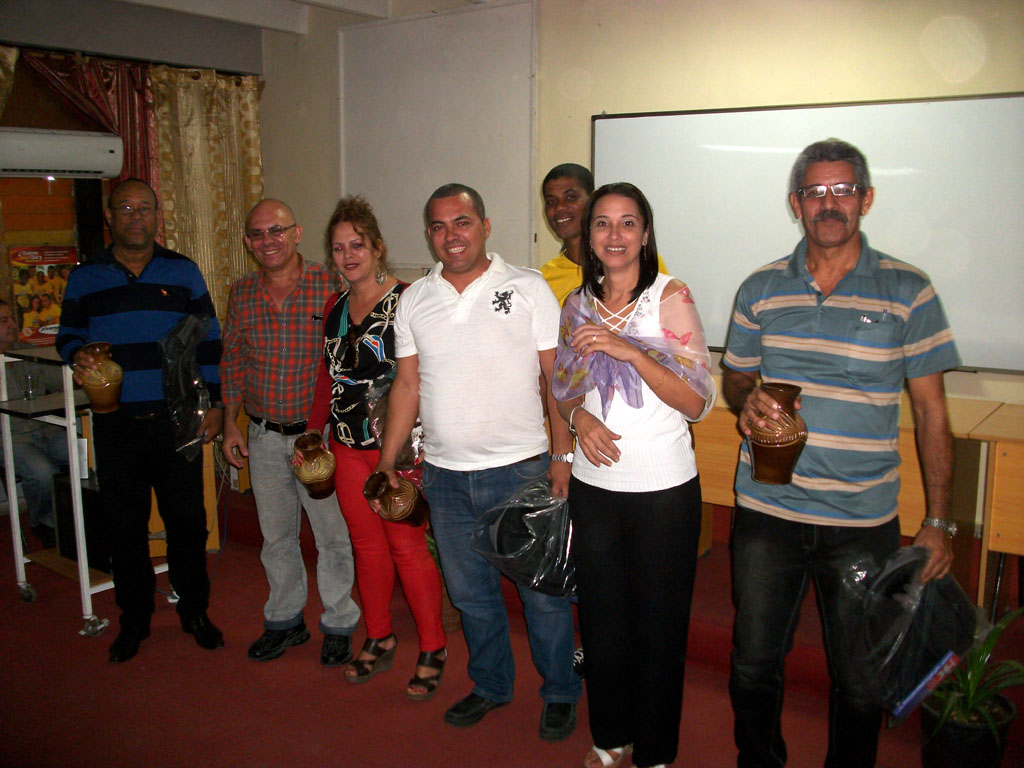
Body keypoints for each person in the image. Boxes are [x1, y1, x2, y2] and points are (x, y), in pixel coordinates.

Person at [722, 138, 960, 768]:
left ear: (867, 198)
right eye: (815, 192)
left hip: (862, 521)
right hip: (768, 511)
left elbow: (934, 413)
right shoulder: (761, 287)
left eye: (843, 190)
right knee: (752, 666)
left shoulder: (909, 289)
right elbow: (736, 377)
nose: (830, 204)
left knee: (859, 680)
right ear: (795, 203)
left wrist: (938, 522)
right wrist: (743, 401)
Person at [372, 183, 581, 740]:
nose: (451, 235)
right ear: (428, 235)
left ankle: (561, 690)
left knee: (541, 595)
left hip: (521, 471)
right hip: (444, 477)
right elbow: (407, 387)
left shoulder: (529, 288)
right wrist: (388, 461)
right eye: (438, 226)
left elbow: (556, 379)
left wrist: (562, 454)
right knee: (470, 597)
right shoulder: (414, 299)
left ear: (486, 226)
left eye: (461, 222)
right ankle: (490, 685)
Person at [553, 183, 716, 768]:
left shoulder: (669, 297)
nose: (615, 235)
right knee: (601, 622)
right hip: (597, 491)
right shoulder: (576, 305)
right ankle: (611, 733)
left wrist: (631, 352)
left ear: (646, 234)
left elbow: (698, 401)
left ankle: (655, 750)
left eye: (628, 223)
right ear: (589, 237)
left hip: (663, 492)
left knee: (658, 628)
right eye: (603, 224)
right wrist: (577, 420)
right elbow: (563, 388)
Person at [57, 178, 225, 663]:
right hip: (116, 424)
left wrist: (213, 404)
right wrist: (78, 354)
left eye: (145, 208)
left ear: (158, 217)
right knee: (124, 527)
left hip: (177, 422)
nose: (136, 216)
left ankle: (195, 610)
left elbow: (209, 340)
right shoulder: (86, 277)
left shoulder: (184, 272)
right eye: (126, 208)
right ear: (109, 217)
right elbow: (66, 334)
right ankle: (134, 621)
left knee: (188, 523)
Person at [301, 195, 447, 698]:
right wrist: (312, 429)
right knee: (365, 546)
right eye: (338, 248)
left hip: (399, 450)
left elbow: (427, 378)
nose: (348, 256)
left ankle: (433, 646)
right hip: (345, 446)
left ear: (378, 247)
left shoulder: (411, 299)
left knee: (407, 547)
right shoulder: (334, 307)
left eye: (357, 245)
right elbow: (330, 379)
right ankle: (379, 636)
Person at [220, 198, 361, 668]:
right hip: (262, 436)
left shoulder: (332, 284)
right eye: (258, 234)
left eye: (276, 231)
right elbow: (233, 363)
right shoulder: (241, 293)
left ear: (297, 233)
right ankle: (285, 619)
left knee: (332, 536)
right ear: (247, 243)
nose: (268, 241)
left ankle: (339, 621)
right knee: (275, 536)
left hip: (316, 439)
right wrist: (229, 427)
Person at [540, 163, 669, 307]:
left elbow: (668, 321)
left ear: (592, 200)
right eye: (551, 201)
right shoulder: (543, 280)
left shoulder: (640, 260)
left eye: (571, 197)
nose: (560, 207)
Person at [0, 299, 68, 548]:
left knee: (86, 458)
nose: (12, 324)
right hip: (11, 437)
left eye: (12, 318)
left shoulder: (29, 352)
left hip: (47, 428)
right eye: (3, 320)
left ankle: (84, 520)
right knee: (42, 473)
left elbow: (61, 379)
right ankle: (43, 522)